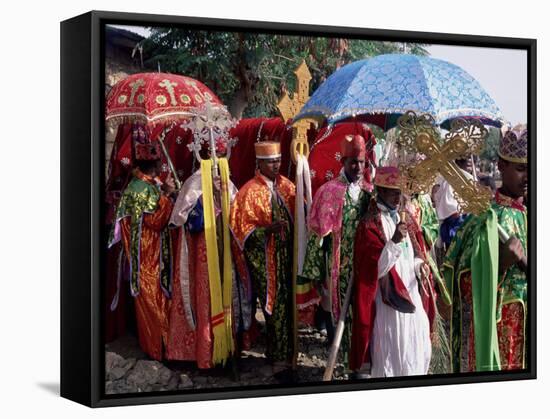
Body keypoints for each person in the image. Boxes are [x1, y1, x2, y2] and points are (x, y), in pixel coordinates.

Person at [442, 125, 528, 372]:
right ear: (501, 165)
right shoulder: (484, 219)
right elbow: (464, 283)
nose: (528, 176)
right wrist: (500, 262)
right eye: (521, 168)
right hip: (501, 331)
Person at [350, 167, 433, 378]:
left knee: (416, 346)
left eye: (400, 192)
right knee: (391, 352)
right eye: (393, 192)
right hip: (389, 303)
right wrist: (394, 241)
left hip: (412, 294)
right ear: (381, 191)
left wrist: (419, 266)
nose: (398, 197)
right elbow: (374, 271)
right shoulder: (370, 224)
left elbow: (416, 254)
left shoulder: (408, 220)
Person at [167, 137, 240, 368]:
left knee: (226, 295)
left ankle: (226, 347)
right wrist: (204, 200)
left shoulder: (228, 182)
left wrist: (221, 196)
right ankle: (203, 352)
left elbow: (237, 212)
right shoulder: (195, 182)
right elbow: (180, 218)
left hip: (224, 250)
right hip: (201, 252)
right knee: (204, 297)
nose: (218, 165)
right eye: (215, 159)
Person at [299, 134, 370, 366]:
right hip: (336, 265)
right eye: (353, 162)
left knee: (361, 311)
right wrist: (317, 272)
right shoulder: (328, 192)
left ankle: (358, 360)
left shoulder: (369, 193)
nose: (357, 167)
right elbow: (317, 237)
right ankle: (338, 354)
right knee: (336, 309)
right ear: (343, 161)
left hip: (361, 265)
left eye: (361, 163)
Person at [108, 126, 176, 361]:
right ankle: (158, 348)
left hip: (142, 253)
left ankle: (156, 346)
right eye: (160, 167)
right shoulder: (144, 189)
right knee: (152, 301)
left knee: (147, 301)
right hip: (148, 255)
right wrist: (167, 197)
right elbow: (156, 222)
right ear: (155, 167)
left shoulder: (138, 186)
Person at [230, 141, 296, 379]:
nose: (276, 165)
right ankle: (278, 359)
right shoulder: (249, 192)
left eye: (278, 160)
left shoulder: (287, 186)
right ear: (259, 163)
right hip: (266, 261)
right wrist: (267, 230)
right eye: (271, 162)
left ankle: (289, 354)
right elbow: (241, 231)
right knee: (274, 306)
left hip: (288, 258)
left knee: (289, 306)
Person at [434, 157, 474, 247]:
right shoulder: (450, 180)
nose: (470, 168)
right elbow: (448, 206)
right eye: (467, 164)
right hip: (456, 227)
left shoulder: (469, 178)